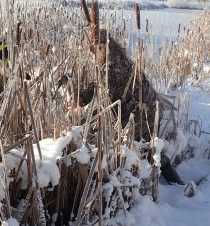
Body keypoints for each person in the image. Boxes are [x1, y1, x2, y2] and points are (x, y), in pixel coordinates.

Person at [71, 29, 184, 185]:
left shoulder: (112, 69)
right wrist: (83, 97)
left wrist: (82, 123)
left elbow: (105, 100)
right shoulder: (120, 59)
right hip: (149, 109)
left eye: (94, 49)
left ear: (102, 48)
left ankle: (175, 185)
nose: (91, 53)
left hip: (141, 114)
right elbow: (99, 85)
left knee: (146, 151)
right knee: (147, 148)